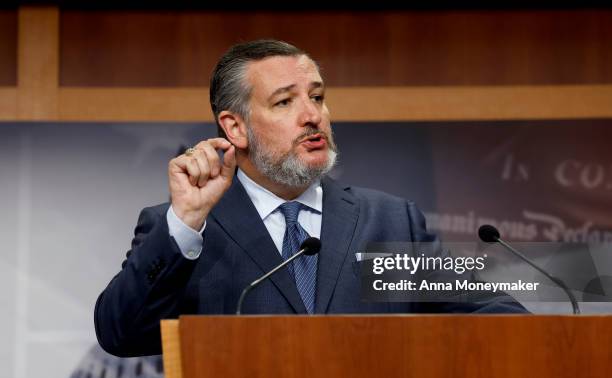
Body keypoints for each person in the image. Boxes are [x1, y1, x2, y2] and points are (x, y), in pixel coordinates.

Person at [95, 39, 526, 357]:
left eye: (317, 97)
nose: (313, 115)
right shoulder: (187, 230)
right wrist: (185, 222)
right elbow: (121, 334)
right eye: (285, 102)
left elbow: (497, 316)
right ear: (235, 128)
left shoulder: (388, 222)